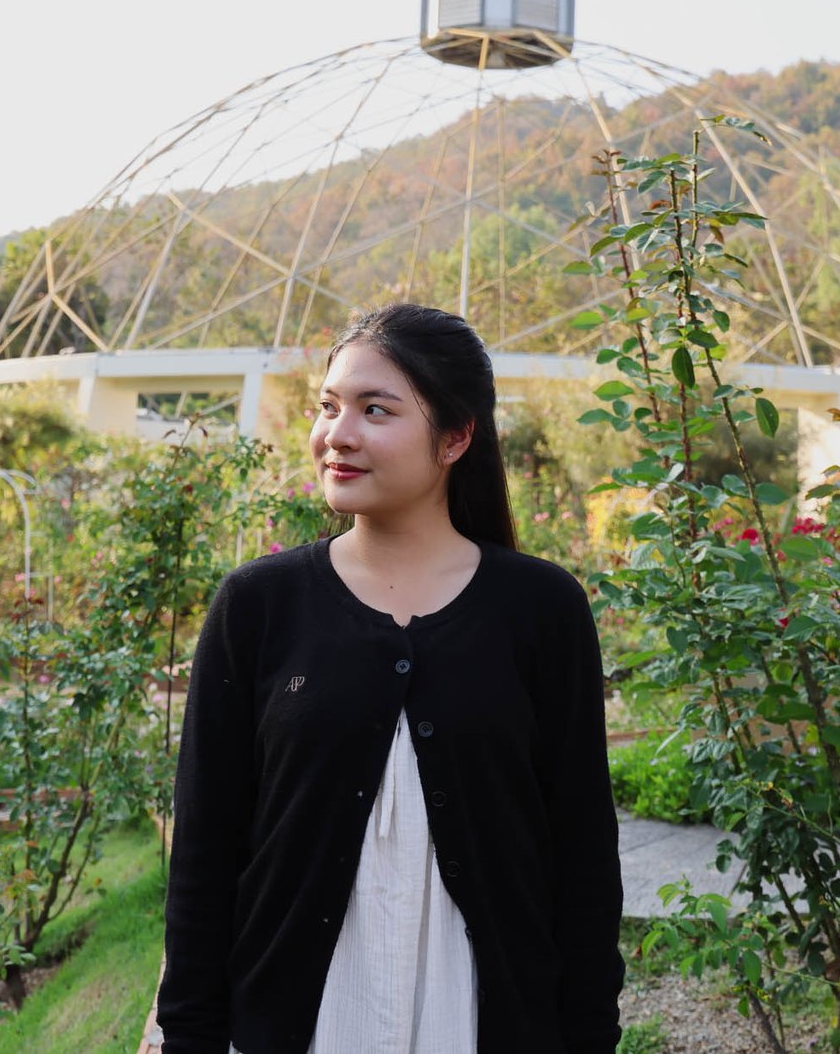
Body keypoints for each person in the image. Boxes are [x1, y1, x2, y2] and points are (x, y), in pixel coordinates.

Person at [156, 303, 624, 1053]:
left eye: (376, 410)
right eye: (329, 406)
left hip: (479, 1022)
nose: (338, 435)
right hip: (301, 1025)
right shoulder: (259, 605)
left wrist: (589, 1033)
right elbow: (205, 851)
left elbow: (583, 853)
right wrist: (189, 1035)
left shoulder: (541, 609)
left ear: (456, 437)